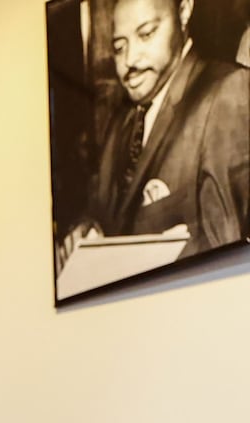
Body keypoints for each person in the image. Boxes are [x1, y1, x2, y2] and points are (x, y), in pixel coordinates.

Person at [61, 0, 249, 266]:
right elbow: (99, 210)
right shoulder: (121, 122)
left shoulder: (226, 92)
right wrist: (85, 229)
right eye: (119, 47)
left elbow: (229, 249)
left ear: (184, 11)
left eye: (146, 34)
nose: (129, 61)